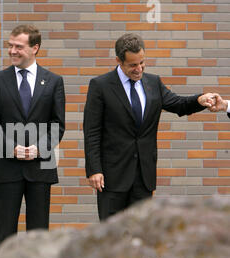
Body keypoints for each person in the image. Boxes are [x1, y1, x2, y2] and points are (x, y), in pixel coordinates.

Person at [83, 33, 217, 222]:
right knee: (111, 235)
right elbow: (92, 132)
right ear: (119, 61)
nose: (139, 69)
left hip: (144, 177)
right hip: (112, 177)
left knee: (142, 232)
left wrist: (199, 100)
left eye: (142, 63)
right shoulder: (100, 86)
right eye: (133, 65)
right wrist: (94, 169)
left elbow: (178, 104)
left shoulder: (153, 83)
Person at [0, 25, 65, 250]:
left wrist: (39, 149)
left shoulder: (54, 81)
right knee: (4, 233)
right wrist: (11, 148)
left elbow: (58, 124)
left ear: (35, 48)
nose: (12, 51)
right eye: (10, 46)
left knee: (39, 235)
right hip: (7, 168)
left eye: (18, 46)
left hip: (41, 168)